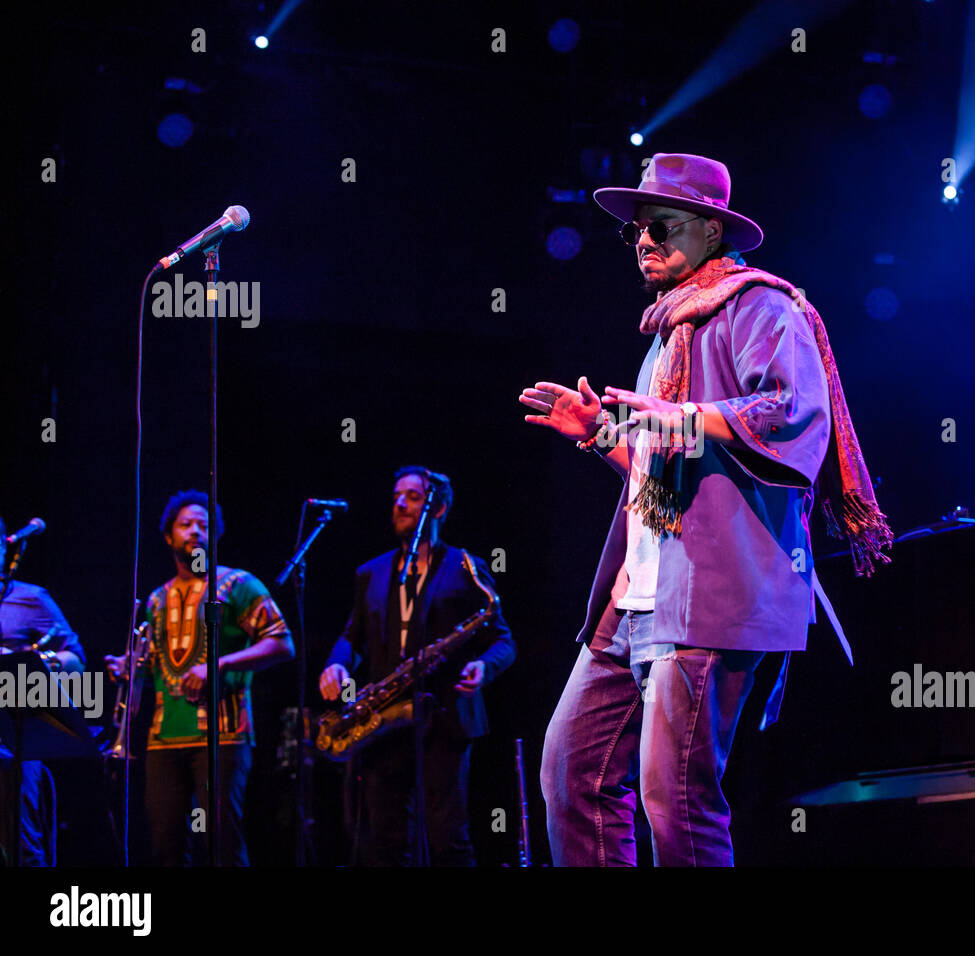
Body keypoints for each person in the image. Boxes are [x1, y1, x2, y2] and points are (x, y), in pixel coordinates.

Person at [522, 153, 892, 866]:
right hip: (639, 597)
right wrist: (603, 435)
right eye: (635, 232)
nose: (644, 243)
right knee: (572, 774)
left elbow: (792, 416)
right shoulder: (666, 333)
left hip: (710, 596)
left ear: (710, 230)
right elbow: (659, 476)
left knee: (677, 800)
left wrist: (679, 416)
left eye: (660, 226)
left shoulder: (763, 306)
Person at [319, 467, 515, 866]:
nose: (399, 503)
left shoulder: (467, 567)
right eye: (396, 496)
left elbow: (503, 641)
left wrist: (482, 667)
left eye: (411, 496)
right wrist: (336, 665)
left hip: (444, 718)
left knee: (447, 840)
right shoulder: (370, 572)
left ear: (439, 507)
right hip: (382, 721)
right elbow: (349, 638)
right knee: (386, 844)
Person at [106, 490, 294, 865]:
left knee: (220, 842)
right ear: (168, 536)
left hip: (222, 736)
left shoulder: (238, 584)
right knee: (165, 847)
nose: (195, 532)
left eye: (203, 526)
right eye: (185, 524)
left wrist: (220, 665)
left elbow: (282, 643)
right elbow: (153, 669)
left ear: (216, 535)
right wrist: (128, 669)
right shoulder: (157, 598)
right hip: (163, 740)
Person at [0, 515, 86, 866]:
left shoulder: (30, 599)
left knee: (20, 843)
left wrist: (25, 661)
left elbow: (76, 661)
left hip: (12, 738)